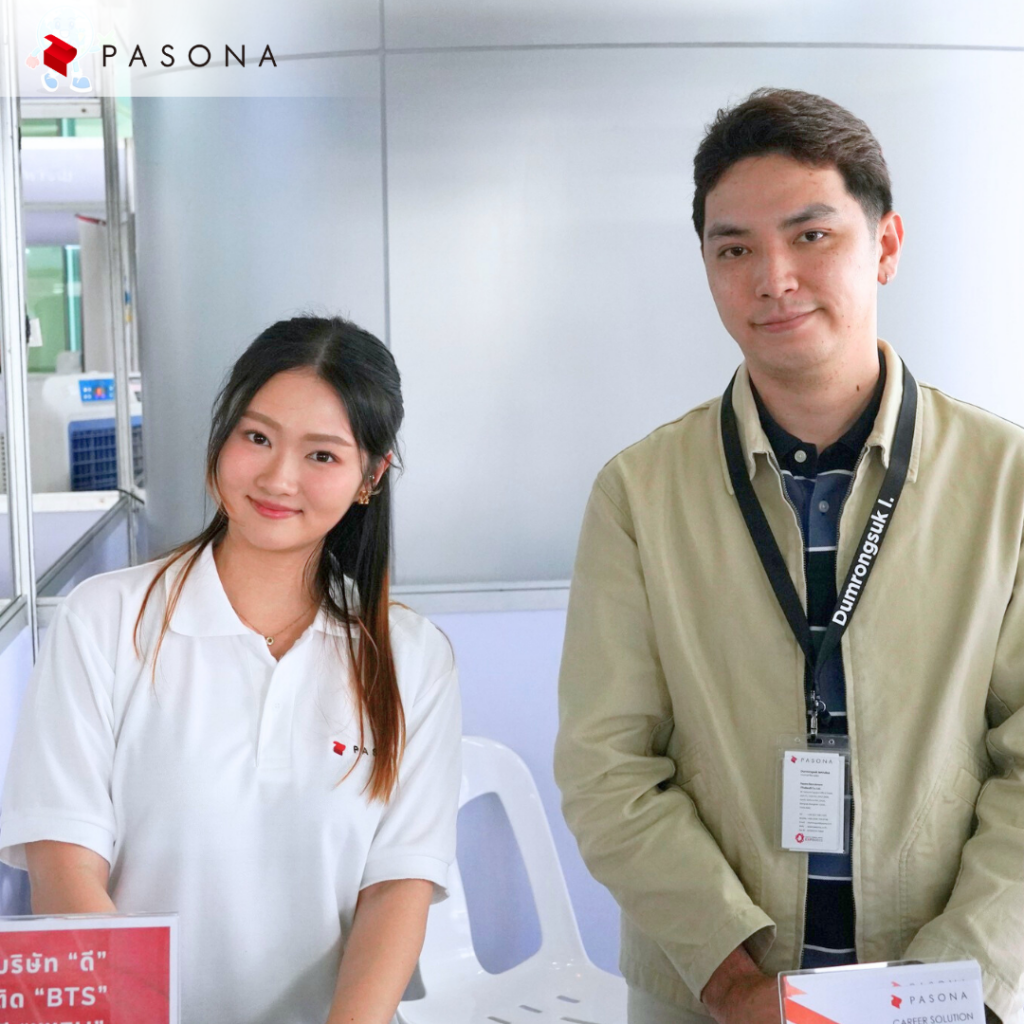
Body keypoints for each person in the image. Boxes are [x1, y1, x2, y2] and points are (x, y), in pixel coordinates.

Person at [554, 88, 1024, 1024]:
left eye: (812, 236)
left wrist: (949, 984)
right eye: (734, 249)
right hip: (711, 996)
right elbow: (607, 764)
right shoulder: (640, 493)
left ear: (885, 245)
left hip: (947, 996)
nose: (773, 278)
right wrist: (731, 982)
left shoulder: (1006, 482)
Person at [0, 316, 462, 1024]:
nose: (278, 478)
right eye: (257, 437)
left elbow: (397, 888)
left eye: (322, 455)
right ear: (222, 436)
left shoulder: (411, 657)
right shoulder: (105, 620)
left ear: (371, 477)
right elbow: (65, 863)